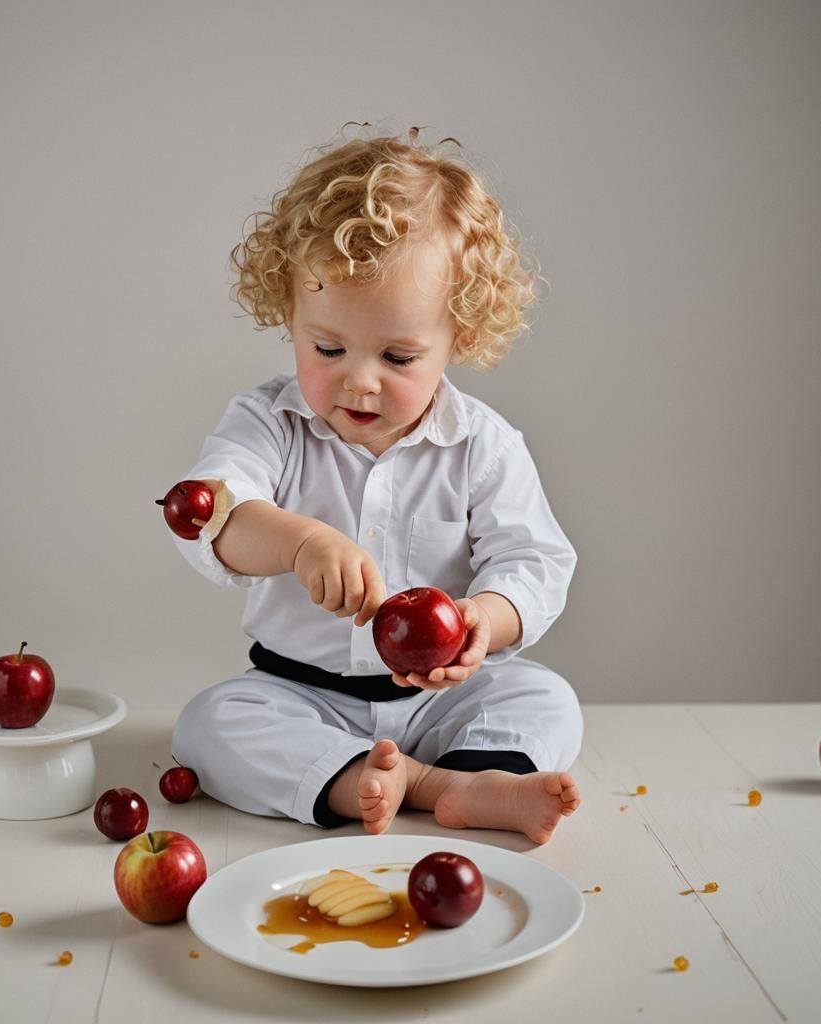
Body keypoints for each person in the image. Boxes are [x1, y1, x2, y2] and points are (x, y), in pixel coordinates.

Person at [170, 126, 582, 845]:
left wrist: (484, 617)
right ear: (289, 316)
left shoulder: (483, 444)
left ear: (461, 336)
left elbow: (536, 563)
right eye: (327, 348)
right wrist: (300, 543)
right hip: (300, 694)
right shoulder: (269, 425)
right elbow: (213, 514)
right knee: (210, 723)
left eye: (399, 355)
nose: (360, 379)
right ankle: (420, 783)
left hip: (439, 703)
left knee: (545, 696)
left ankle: (479, 771)